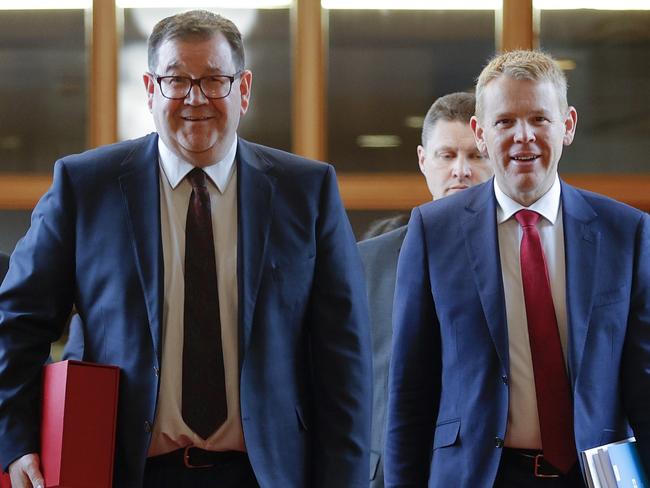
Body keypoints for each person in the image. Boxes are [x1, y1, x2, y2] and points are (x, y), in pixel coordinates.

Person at [0, 10, 371, 488]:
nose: (196, 99)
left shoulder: (307, 191)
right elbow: (17, 323)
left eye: (215, 79)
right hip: (125, 470)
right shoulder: (85, 186)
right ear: (151, 89)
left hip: (268, 473)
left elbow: (344, 359)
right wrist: (16, 438)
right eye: (176, 81)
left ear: (244, 88)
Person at [385, 50, 650, 488]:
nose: (522, 136)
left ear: (567, 126)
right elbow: (410, 392)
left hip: (595, 476)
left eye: (539, 119)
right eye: (505, 121)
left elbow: (644, 385)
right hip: (477, 476)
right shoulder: (434, 231)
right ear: (481, 132)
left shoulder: (627, 233)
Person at [357, 92, 492, 487]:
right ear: (422, 161)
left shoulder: (522, 254)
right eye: (446, 155)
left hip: (486, 466)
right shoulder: (367, 262)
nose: (461, 170)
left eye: (476, 155)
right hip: (384, 469)